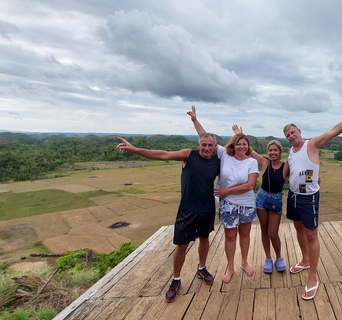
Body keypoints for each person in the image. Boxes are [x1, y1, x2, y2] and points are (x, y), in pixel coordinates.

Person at [284, 98, 342, 300]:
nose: (291, 136)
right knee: (298, 228)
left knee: (312, 235)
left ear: (299, 132)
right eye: (287, 135)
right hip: (293, 196)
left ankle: (313, 277)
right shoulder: (291, 150)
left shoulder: (312, 144)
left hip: (309, 198)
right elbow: (293, 171)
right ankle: (305, 259)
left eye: (293, 132)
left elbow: (334, 131)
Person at [116, 133, 220, 303]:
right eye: (203, 145)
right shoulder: (188, 155)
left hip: (207, 209)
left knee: (204, 238)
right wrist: (134, 150)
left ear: (215, 146)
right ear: (198, 144)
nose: (207, 148)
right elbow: (162, 154)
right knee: (181, 246)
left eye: (210, 145)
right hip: (187, 209)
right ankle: (176, 280)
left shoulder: (217, 161)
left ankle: (202, 269)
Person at [188, 106, 259, 283]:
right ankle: (230, 266)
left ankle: (244, 262)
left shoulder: (251, 162)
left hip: (247, 203)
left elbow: (250, 185)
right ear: (233, 145)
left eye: (245, 144)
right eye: (239, 143)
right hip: (228, 204)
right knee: (230, 236)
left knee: (245, 234)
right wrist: (195, 121)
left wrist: (227, 190)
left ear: (248, 147)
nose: (242, 146)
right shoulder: (224, 155)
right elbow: (207, 139)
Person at [231, 125, 289, 274]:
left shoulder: (285, 167)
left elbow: (298, 176)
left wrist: (314, 180)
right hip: (262, 198)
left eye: (275, 150)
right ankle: (268, 258)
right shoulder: (265, 162)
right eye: (270, 150)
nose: (272, 152)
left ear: (280, 152)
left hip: (275, 200)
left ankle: (279, 258)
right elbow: (250, 151)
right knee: (264, 231)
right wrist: (240, 134)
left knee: (273, 233)